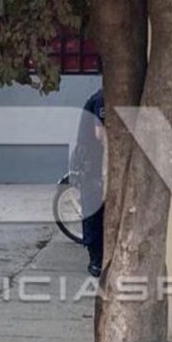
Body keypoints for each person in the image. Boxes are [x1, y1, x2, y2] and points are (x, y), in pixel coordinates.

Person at [72, 89, 105, 277]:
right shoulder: (102, 100)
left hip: (94, 163)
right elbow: (101, 134)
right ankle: (96, 261)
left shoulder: (100, 97)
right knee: (94, 213)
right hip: (92, 165)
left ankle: (98, 259)